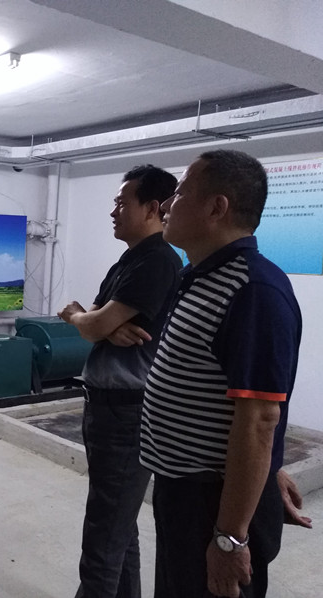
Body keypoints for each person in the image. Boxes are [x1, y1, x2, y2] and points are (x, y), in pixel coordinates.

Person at [139, 149, 302, 598]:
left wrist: (231, 537)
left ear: (216, 207)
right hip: (184, 493)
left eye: (179, 193)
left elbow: (260, 420)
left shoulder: (253, 291)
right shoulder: (200, 276)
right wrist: (269, 469)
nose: (166, 205)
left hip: (212, 504)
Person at [58, 165, 182, 598]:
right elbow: (97, 319)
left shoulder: (158, 261)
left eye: (121, 202)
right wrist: (101, 325)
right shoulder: (132, 259)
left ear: (151, 208)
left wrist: (81, 318)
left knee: (103, 540)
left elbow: (90, 320)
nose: (114, 211)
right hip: (107, 405)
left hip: (129, 411)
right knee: (118, 527)